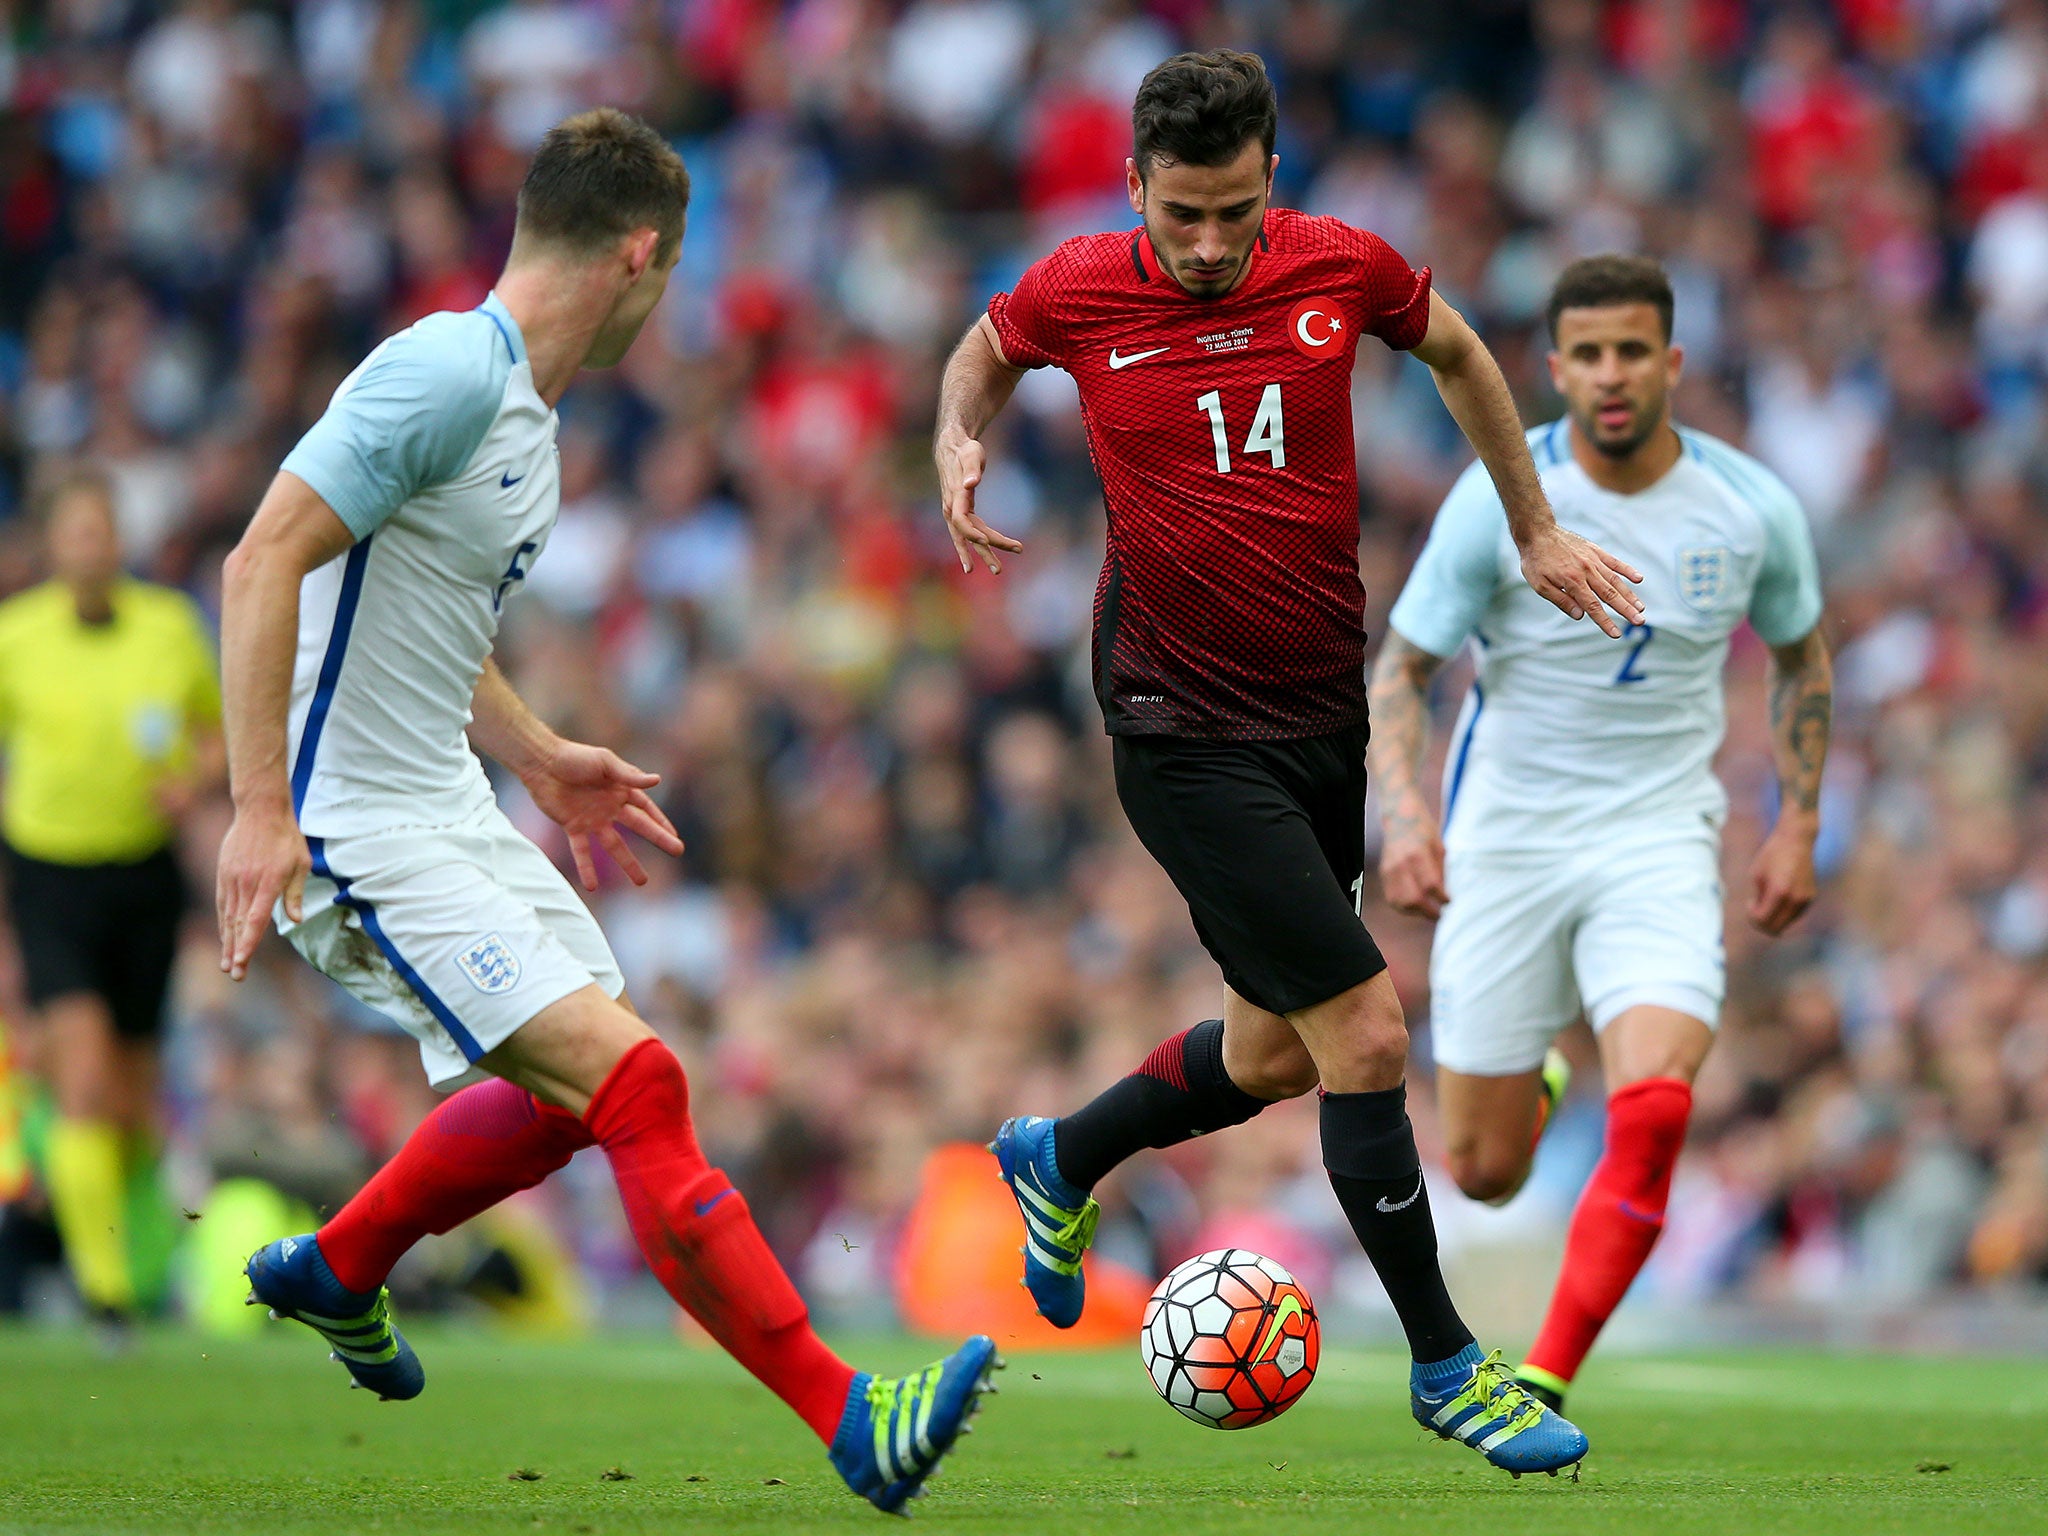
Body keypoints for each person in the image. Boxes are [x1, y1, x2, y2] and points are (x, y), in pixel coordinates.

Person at [215, 109, 995, 1514]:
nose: (670, 295)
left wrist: (534, 754)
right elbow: (264, 558)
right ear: (642, 253)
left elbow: (423, 620)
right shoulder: (444, 370)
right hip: (351, 819)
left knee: (577, 1099)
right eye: (674, 269)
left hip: (445, 800)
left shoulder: (525, 411)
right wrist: (260, 810)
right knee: (639, 1084)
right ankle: (848, 1416)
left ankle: (337, 1267)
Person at [935, 50, 1639, 1477]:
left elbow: (1459, 352)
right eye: (1183, 214)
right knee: (1369, 1036)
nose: (1208, 246)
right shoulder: (1080, 287)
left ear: (1275, 186)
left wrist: (1535, 526)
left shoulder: (1340, 268)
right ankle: (1449, 1367)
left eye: (1235, 213)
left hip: (1319, 714)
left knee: (1269, 1054)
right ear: (1136, 188)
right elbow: (984, 348)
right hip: (1177, 728)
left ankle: (1059, 1157)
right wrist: (956, 436)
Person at [1369, 254, 1831, 1413]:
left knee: (1662, 1099)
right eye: (1587, 354)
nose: (1611, 375)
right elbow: (1404, 668)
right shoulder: (1494, 498)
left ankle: (1547, 1374)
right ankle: (1538, 1080)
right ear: (1555, 368)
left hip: (1657, 835)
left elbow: (1798, 657)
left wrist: (1796, 824)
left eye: (1633, 350)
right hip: (1509, 837)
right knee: (1479, 1173)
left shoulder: (1749, 507)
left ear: (1669, 361)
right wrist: (1407, 813)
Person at [0, 470, 222, 1328]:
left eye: (103, 531)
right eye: (76, 532)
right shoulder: (16, 637)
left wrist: (196, 781)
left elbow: (216, 735)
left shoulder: (168, 629)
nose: (91, 546)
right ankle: (106, 1294)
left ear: (118, 541)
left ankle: (136, 1256)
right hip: (51, 875)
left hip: (142, 875)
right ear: (53, 545)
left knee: (133, 1097)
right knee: (83, 1080)